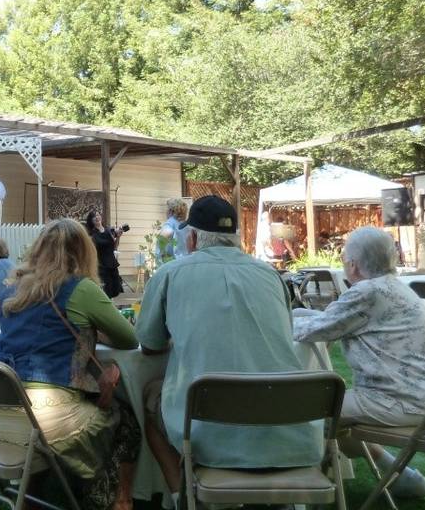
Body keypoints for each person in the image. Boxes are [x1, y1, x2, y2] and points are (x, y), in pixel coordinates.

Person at [136, 196, 321, 500]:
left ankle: (181, 497)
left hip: (206, 431)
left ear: (193, 238)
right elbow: (282, 335)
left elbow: (150, 346)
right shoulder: (271, 275)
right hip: (289, 428)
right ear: (236, 238)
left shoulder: (170, 274)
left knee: (149, 396)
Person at [0, 219, 140, 510]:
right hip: (41, 417)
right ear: (84, 251)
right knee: (126, 422)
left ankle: (31, 496)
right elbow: (129, 339)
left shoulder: (13, 288)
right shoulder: (80, 289)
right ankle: (121, 502)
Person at [293, 226, 425, 498]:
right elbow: (328, 320)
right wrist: (302, 314)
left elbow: (309, 331)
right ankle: (400, 474)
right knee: (337, 418)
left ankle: (300, 489)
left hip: (406, 401)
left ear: (353, 266)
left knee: (305, 408)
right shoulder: (396, 288)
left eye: (345, 258)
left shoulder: (366, 292)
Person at [85, 210, 123, 298]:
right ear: (91, 220)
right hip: (101, 265)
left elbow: (115, 247)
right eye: (94, 216)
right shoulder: (91, 234)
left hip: (112, 264)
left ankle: (112, 309)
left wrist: (118, 237)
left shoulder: (108, 230)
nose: (97, 217)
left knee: (115, 290)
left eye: (98, 215)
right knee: (106, 291)